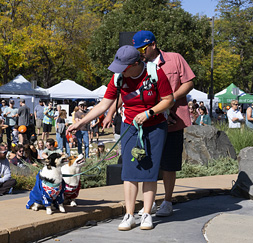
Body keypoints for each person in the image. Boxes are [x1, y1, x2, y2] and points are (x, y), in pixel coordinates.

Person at [67, 45, 174, 230]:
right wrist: (81, 122)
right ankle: (129, 215)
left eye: (123, 68)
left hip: (155, 126)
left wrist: (149, 113)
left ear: (135, 64)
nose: (119, 72)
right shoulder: (118, 77)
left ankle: (147, 213)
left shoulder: (155, 73)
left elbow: (168, 99)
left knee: (149, 171)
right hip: (130, 126)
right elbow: (103, 105)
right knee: (129, 172)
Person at [131, 30, 195, 217]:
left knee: (169, 163)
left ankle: (167, 201)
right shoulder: (138, 64)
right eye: (137, 50)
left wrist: (170, 100)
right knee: (148, 162)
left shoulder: (175, 59)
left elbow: (189, 82)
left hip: (174, 119)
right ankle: (148, 203)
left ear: (153, 44)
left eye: (142, 48)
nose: (140, 53)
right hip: (148, 121)